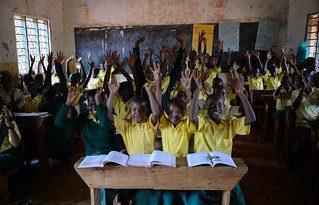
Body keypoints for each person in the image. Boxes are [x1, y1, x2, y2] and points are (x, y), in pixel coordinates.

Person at [189, 71, 256, 205]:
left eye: (219, 105)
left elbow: (251, 118)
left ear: (224, 107)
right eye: (212, 105)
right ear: (206, 108)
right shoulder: (203, 122)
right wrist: (197, 90)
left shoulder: (230, 123)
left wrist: (241, 93)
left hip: (224, 169)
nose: (216, 108)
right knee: (197, 199)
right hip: (203, 169)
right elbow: (192, 117)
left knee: (237, 199)